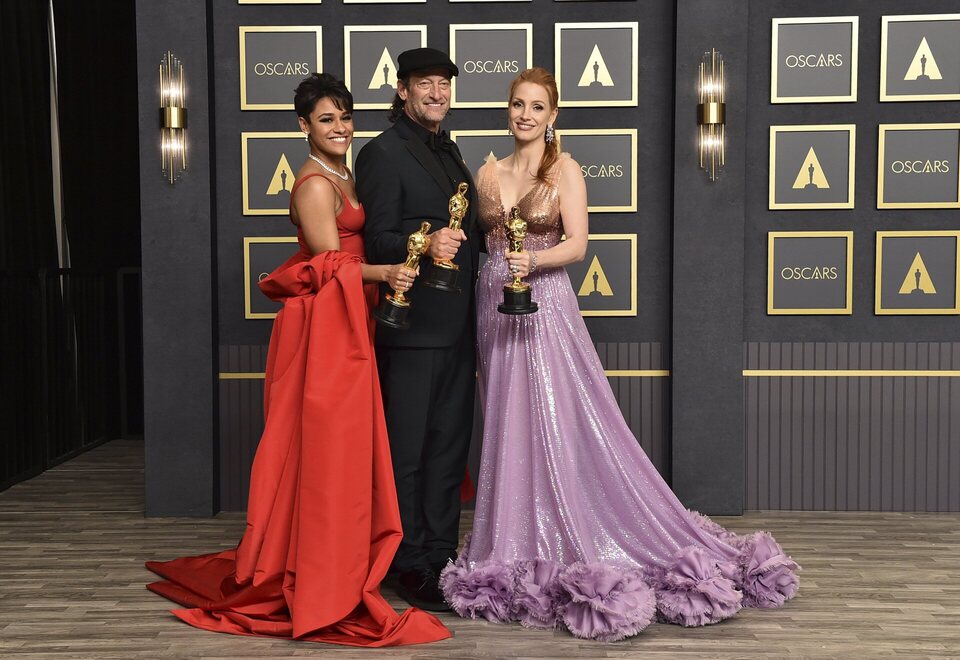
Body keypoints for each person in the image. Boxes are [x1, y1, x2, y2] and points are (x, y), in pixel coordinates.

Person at [440, 67, 800, 641]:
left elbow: (578, 244)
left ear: (552, 115)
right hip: (493, 303)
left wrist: (535, 262)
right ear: (506, 109)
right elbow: (479, 245)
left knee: (558, 417)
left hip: (546, 304)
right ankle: (509, 536)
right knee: (505, 419)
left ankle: (576, 528)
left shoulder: (566, 171)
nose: (525, 115)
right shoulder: (484, 174)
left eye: (537, 106)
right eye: (517, 104)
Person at [145, 73, 450, 647]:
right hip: (326, 327)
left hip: (352, 317)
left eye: (345, 117)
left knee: (346, 446)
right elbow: (330, 265)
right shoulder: (314, 184)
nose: (340, 128)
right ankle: (318, 569)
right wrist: (385, 273)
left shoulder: (344, 172)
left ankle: (340, 556)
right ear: (303, 126)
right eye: (327, 119)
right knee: (325, 446)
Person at [355, 47, 481, 611]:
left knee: (448, 451)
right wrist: (426, 243)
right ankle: (405, 563)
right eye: (425, 84)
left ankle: (440, 555)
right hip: (410, 329)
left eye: (444, 85)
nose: (437, 93)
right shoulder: (382, 152)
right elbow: (376, 240)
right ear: (401, 89)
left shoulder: (451, 151)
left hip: (458, 326)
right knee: (408, 452)